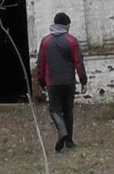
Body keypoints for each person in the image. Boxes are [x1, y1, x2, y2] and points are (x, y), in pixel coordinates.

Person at [35, 12, 87, 153]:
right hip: (69, 82)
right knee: (68, 111)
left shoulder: (45, 42)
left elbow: (41, 63)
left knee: (54, 110)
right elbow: (78, 62)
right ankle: (69, 140)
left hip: (52, 82)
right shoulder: (72, 41)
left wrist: (41, 81)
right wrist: (83, 81)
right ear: (65, 25)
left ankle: (62, 131)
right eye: (68, 25)